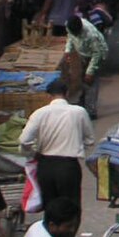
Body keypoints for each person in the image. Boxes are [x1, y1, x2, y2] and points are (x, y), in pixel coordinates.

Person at [19, 79, 95, 210]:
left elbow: (24, 140)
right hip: (68, 166)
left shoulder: (39, 113)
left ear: (48, 96)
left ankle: (50, 228)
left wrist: (31, 153)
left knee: (50, 206)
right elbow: (90, 140)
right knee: (71, 206)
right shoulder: (79, 112)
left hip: (45, 166)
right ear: (67, 93)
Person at [62, 16, 107, 118]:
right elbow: (70, 37)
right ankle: (82, 103)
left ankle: (91, 111)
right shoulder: (69, 26)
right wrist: (68, 51)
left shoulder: (91, 35)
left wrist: (90, 71)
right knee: (82, 80)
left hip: (96, 55)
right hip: (83, 54)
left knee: (91, 82)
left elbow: (97, 54)